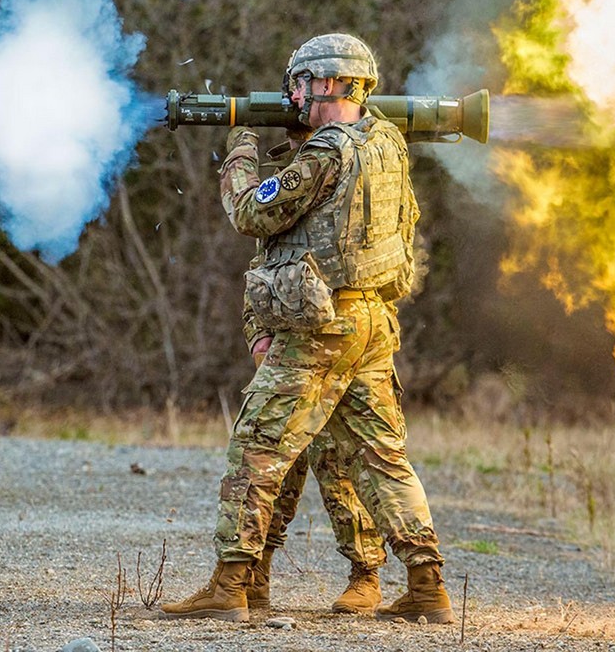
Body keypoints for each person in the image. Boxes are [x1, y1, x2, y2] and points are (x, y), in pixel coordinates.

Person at [160, 33, 455, 624]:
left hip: (321, 325)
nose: (291, 95)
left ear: (327, 84)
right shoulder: (388, 143)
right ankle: (428, 589)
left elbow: (252, 212)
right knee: (382, 457)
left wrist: (241, 147)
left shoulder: (325, 152)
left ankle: (230, 585)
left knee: (258, 447)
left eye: (299, 83)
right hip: (371, 320)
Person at [242, 137, 386, 616]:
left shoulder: (348, 193)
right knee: (273, 468)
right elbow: (259, 277)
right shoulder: (286, 207)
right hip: (289, 348)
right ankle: (253, 575)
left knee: (340, 463)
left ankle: (366, 575)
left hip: (340, 341)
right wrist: (257, 337)